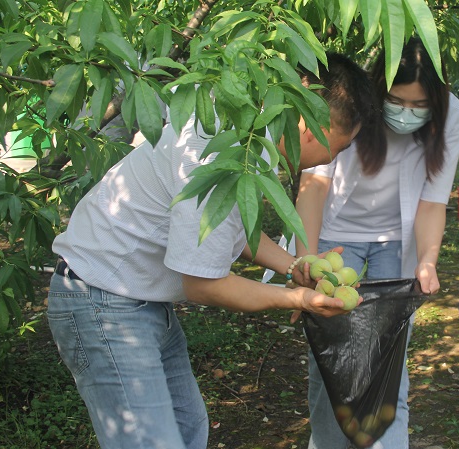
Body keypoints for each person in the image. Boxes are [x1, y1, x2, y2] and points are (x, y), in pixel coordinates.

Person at [46, 53, 379, 449]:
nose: (333, 158)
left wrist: (295, 266)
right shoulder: (224, 150)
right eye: (340, 148)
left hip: (138, 297)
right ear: (316, 130)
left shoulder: (246, 136)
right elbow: (203, 284)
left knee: (187, 427)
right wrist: (298, 299)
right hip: (102, 299)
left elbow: (225, 229)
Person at [295, 37, 459, 449]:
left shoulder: (451, 115)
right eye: (396, 101)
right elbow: (314, 185)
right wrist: (306, 260)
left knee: (388, 358)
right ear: (379, 89)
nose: (406, 113)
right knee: (333, 355)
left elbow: (432, 202)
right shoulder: (352, 104)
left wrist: (427, 260)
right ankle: (328, 441)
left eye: (418, 105)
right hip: (336, 237)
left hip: (396, 239)